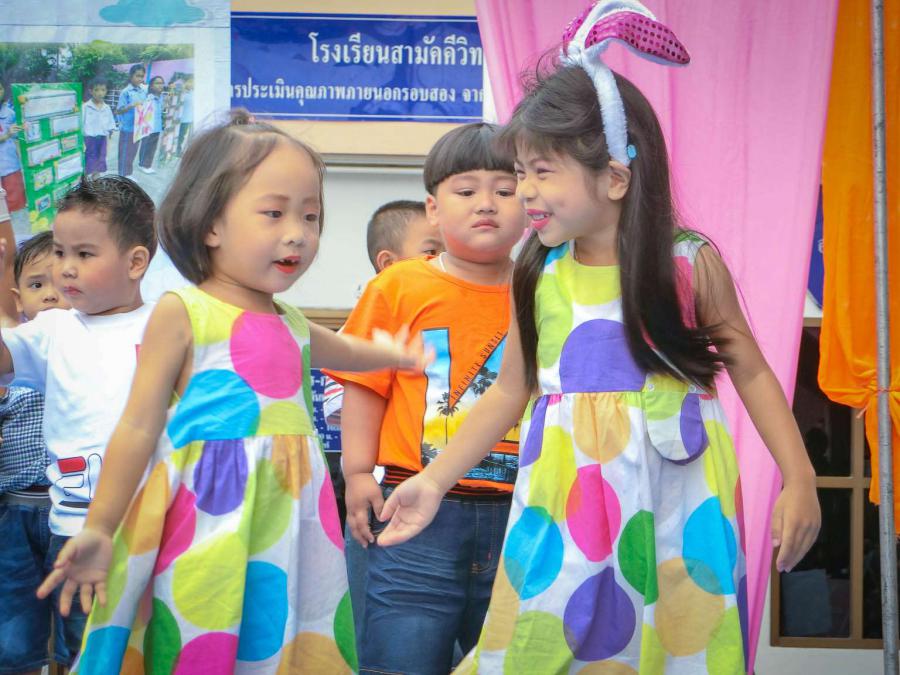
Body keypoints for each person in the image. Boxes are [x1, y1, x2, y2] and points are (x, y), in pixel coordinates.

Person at [377, 2, 822, 672]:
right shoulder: (537, 273)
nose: (524, 191)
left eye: (541, 171)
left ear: (614, 177)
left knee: (679, 644)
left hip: (679, 505)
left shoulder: (687, 264)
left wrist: (799, 475)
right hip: (565, 506)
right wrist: (434, 480)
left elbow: (752, 370)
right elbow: (508, 393)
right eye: (520, 172)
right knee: (543, 642)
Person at [37, 111, 430, 673]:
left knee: (284, 635)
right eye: (274, 213)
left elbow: (346, 350)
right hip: (209, 515)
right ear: (210, 224)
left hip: (291, 519)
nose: (297, 232)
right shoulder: (185, 311)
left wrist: (394, 354)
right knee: (203, 633)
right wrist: (101, 526)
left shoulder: (291, 322)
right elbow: (138, 425)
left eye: (311, 215)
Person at [325, 122, 526, 675]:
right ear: (433, 208)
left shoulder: (544, 286)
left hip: (523, 512)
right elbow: (365, 383)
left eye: (505, 190)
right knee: (402, 657)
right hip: (413, 511)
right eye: (466, 191)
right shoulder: (398, 286)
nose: (486, 203)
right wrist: (357, 473)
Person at [0, 175, 156, 667]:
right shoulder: (55, 328)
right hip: (74, 526)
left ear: (135, 262)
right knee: (81, 652)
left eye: (84, 254)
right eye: (60, 252)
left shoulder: (168, 324)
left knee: (138, 653)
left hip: (151, 524)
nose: (65, 268)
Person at [321, 198, 442, 651]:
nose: (442, 260)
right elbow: (354, 399)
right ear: (387, 264)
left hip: (448, 486)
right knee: (381, 620)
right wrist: (358, 473)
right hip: (385, 492)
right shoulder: (378, 320)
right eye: (431, 251)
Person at [0, 231, 72, 675]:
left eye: (60, 284)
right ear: (18, 298)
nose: (49, 295)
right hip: (15, 512)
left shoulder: (86, 356)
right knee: (15, 630)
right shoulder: (12, 356)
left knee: (76, 625)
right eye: (36, 285)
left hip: (75, 511)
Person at [0, 81, 24, 317]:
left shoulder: (9, 111)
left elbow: (20, 132)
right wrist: (6, 135)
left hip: (10, 165)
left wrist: (20, 129)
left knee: (14, 205)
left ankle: (15, 233)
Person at [115, 64, 146, 177]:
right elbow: (118, 111)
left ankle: (128, 174)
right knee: (125, 153)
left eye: (142, 76)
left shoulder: (142, 91)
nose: (140, 79)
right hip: (127, 128)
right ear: (131, 76)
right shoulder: (126, 92)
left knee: (132, 152)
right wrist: (131, 105)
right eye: (137, 76)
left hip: (138, 127)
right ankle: (122, 175)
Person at [82, 80, 116, 180]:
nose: (100, 93)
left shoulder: (107, 107)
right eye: (96, 90)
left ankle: (96, 175)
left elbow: (110, 123)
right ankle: (85, 176)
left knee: (101, 156)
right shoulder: (86, 107)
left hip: (102, 138)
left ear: (106, 91)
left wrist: (109, 135)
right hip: (89, 138)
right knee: (89, 157)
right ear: (91, 91)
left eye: (103, 90)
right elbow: (81, 123)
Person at [138, 76, 165, 174]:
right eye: (157, 83)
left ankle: (147, 165)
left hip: (157, 127)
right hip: (148, 127)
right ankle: (142, 164)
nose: (160, 85)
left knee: (153, 147)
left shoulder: (161, 98)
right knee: (146, 146)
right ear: (152, 86)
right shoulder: (148, 98)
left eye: (161, 83)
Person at [176, 75, 194, 156]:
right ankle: (176, 151)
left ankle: (180, 150)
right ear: (185, 82)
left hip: (188, 119)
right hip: (179, 118)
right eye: (189, 82)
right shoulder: (180, 92)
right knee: (178, 135)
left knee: (183, 136)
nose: (191, 84)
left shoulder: (194, 93)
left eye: (192, 82)